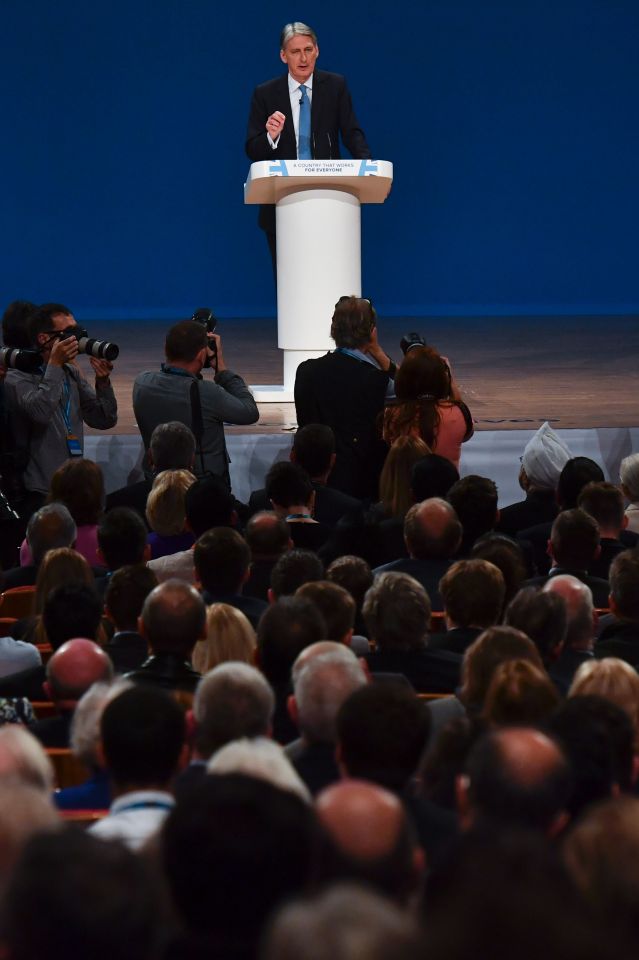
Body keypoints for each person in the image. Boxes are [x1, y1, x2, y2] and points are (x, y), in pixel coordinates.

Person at [246, 21, 371, 268]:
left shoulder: (335, 86)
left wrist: (368, 168)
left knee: (330, 270)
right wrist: (271, 136)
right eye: (295, 52)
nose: (303, 58)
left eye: (308, 50)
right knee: (289, 275)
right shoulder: (266, 94)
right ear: (283, 56)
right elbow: (252, 148)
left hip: (330, 199)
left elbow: (351, 132)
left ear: (317, 51)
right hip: (281, 204)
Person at [3, 303, 117, 513]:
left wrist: (103, 384)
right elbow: (40, 412)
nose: (75, 338)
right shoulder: (15, 379)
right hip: (41, 492)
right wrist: (55, 364)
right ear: (44, 338)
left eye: (77, 330)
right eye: (68, 333)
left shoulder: (70, 373)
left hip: (75, 488)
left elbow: (104, 419)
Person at [132, 319, 258, 486]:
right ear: (201, 354)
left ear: (165, 348)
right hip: (202, 492)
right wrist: (221, 368)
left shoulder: (142, 382)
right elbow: (249, 412)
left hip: (156, 485)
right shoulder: (207, 392)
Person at [294, 296, 397, 500]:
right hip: (363, 484)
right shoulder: (376, 380)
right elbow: (413, 388)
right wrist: (378, 352)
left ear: (334, 329)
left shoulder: (306, 371)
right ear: (372, 333)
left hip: (313, 480)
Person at [383, 346, 473, 470]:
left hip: (406, 487)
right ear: (443, 380)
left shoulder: (395, 415)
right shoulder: (459, 413)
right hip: (448, 488)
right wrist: (450, 380)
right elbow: (467, 433)